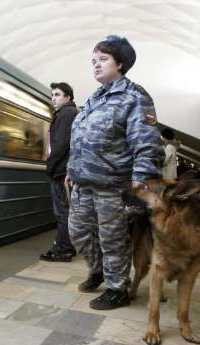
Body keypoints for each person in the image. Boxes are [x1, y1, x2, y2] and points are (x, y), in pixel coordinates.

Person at [66, 35, 164, 310]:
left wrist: (141, 178)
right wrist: (72, 169)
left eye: (103, 59)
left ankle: (117, 288)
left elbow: (146, 141)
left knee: (112, 238)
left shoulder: (135, 96)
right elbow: (82, 138)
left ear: (120, 63)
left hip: (114, 184)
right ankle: (99, 270)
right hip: (84, 182)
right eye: (93, 60)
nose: (95, 65)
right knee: (79, 232)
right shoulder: (95, 98)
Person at [40, 82, 78, 262]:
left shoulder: (66, 114)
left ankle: (63, 250)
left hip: (61, 170)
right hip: (64, 168)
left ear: (67, 97)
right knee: (65, 210)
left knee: (62, 211)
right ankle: (66, 246)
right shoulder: (69, 113)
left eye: (57, 94)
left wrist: (50, 166)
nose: (53, 98)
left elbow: (61, 144)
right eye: (52, 95)